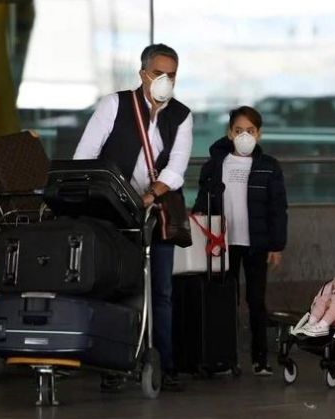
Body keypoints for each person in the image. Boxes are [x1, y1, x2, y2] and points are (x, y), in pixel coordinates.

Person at [73, 43, 192, 392]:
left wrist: (150, 195)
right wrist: (111, 194)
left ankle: (163, 366)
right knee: (116, 286)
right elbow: (85, 157)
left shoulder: (181, 115)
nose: (165, 80)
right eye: (159, 73)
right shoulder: (115, 105)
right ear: (143, 74)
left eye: (171, 74)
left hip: (158, 215)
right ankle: (113, 364)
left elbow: (177, 169)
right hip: (115, 214)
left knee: (162, 292)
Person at [192, 106, 287, 376]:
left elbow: (278, 209)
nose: (244, 135)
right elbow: (203, 201)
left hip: (256, 244)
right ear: (228, 133)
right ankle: (225, 358)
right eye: (238, 130)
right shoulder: (215, 165)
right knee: (224, 301)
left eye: (250, 130)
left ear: (259, 134)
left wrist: (277, 245)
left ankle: (260, 360)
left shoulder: (269, 167)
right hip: (222, 244)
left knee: (256, 301)